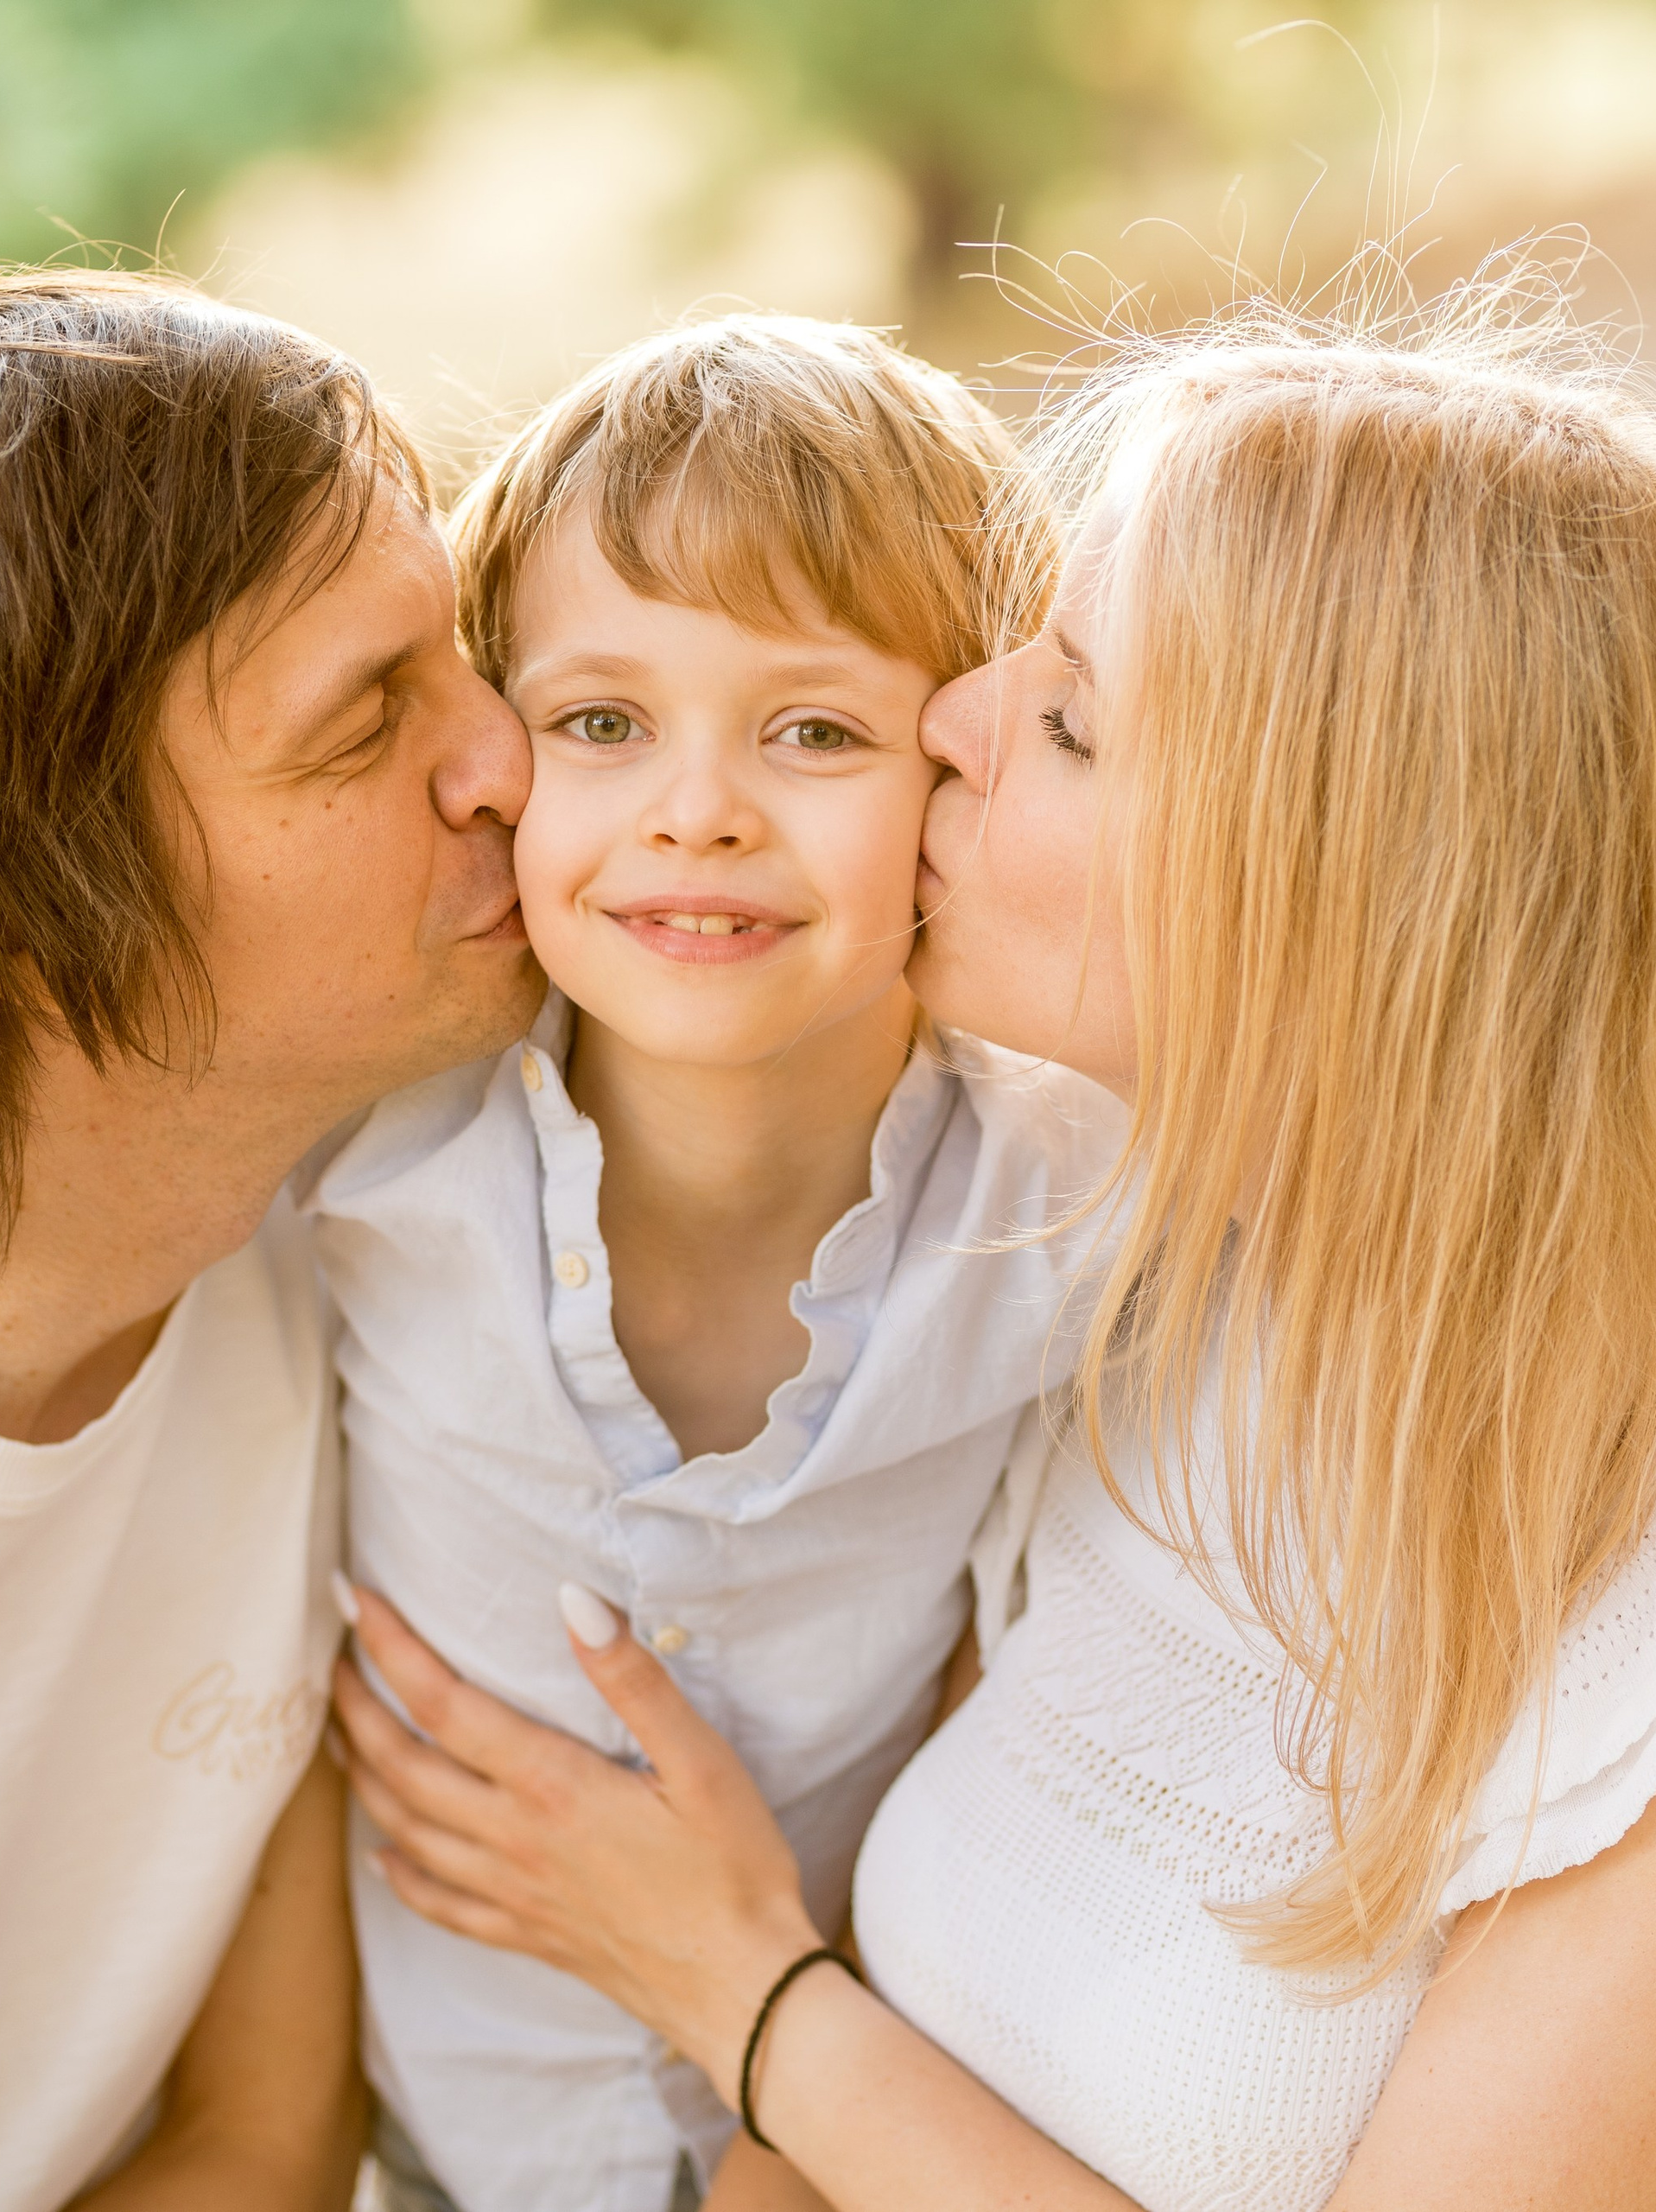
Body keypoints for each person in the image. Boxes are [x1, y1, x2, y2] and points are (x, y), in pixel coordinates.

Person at [330, 285, 1656, 2212]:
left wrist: (740, 1990)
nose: (952, 718)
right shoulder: (1164, 1284)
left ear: (1347, 879)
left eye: (1066, 717)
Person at [0, 271, 541, 2211]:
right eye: (364, 719)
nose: (508, 758)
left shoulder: (349, 1219)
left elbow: (267, 2138)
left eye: (461, 657)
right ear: (28, 903)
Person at [319, 315, 1120, 2212]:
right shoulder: (362, 1149)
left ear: (962, 762)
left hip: (855, 2152)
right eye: (602, 723)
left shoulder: (1070, 1201)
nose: (698, 810)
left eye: (814, 730)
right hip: (423, 2162)